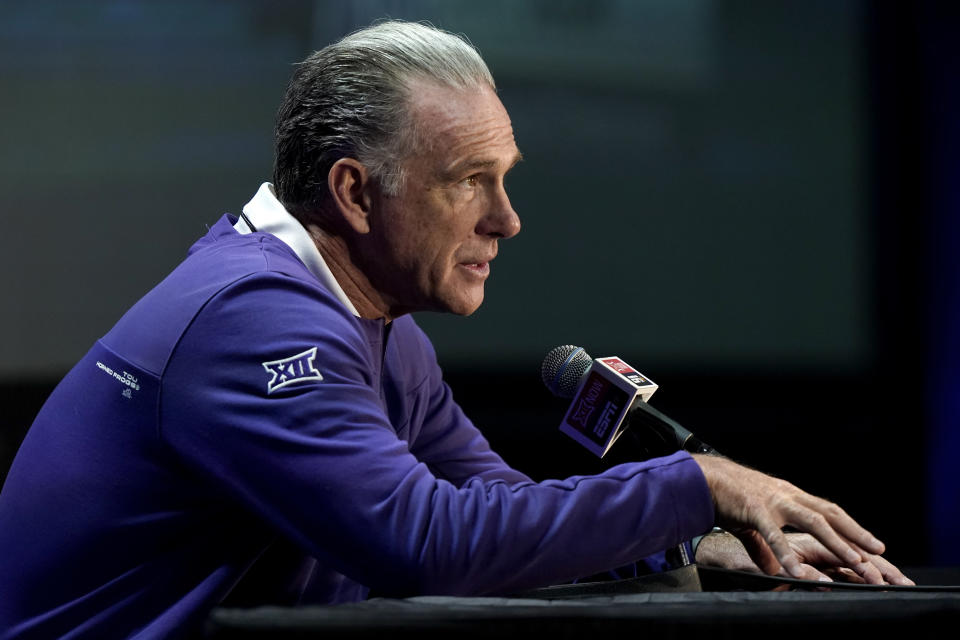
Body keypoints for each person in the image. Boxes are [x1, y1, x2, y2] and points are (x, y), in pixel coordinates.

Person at [0, 19, 910, 640]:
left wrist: (685, 546)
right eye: (468, 179)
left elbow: (497, 519)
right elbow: (427, 542)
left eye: (505, 177)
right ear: (356, 192)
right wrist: (695, 484)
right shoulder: (252, 321)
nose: (506, 220)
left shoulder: (379, 327)